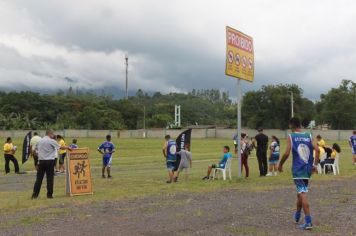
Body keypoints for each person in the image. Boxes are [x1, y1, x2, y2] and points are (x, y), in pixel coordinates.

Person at [278, 117, 320, 230]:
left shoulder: (291, 136)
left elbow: (286, 153)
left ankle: (308, 222)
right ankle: (297, 216)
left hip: (298, 169)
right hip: (307, 169)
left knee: (302, 193)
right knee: (300, 192)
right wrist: (315, 165)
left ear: (291, 125)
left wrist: (280, 164)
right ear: (300, 125)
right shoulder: (309, 135)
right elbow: (318, 149)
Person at [32, 129, 71, 199]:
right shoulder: (51, 141)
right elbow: (61, 147)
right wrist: (68, 147)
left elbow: (34, 151)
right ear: (50, 134)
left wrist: (39, 156)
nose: (53, 135)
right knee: (50, 179)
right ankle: (49, 195)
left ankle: (35, 195)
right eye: (52, 134)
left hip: (41, 161)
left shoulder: (39, 141)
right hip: (50, 161)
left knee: (39, 179)